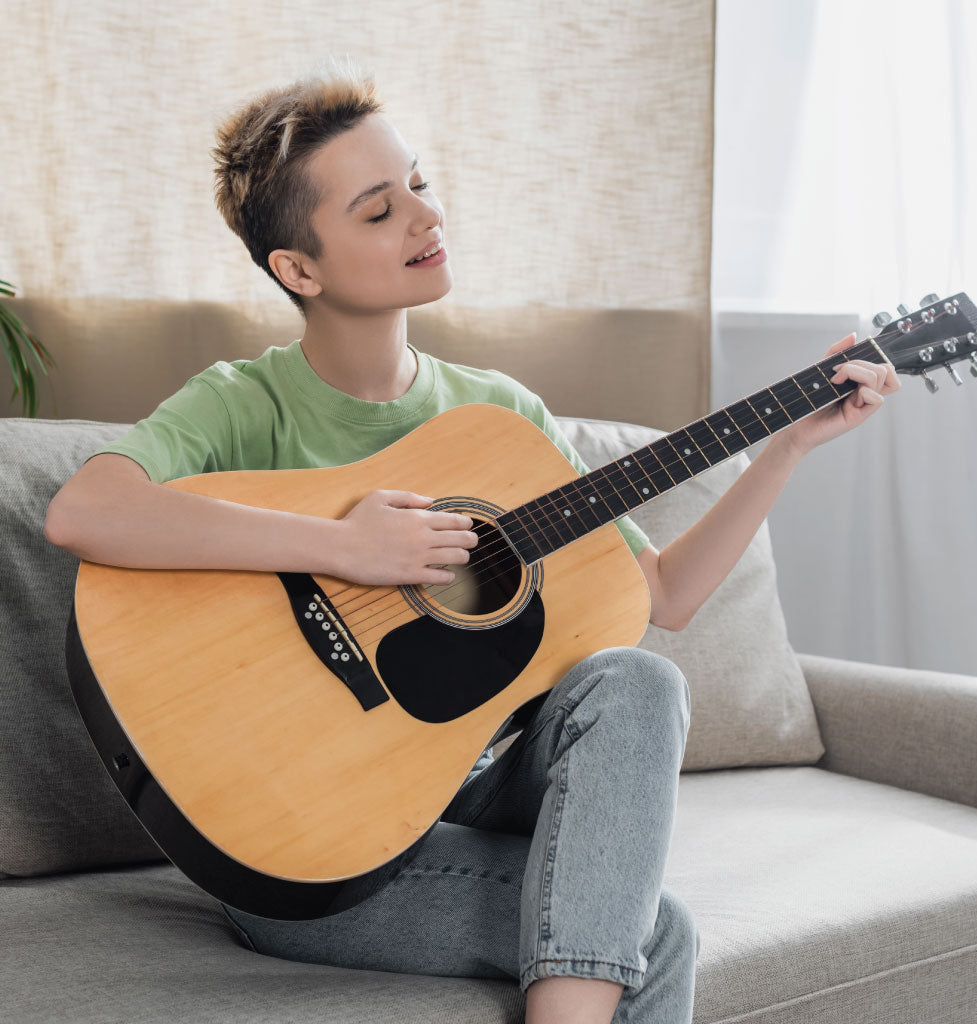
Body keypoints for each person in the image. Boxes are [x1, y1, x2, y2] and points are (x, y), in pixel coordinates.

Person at [44, 58, 900, 1024]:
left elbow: (662, 595)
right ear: (298, 269)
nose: (424, 215)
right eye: (378, 210)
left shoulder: (501, 418)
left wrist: (783, 448)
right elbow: (85, 512)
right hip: (307, 852)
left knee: (642, 680)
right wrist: (342, 548)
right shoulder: (246, 403)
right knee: (654, 941)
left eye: (420, 182)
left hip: (467, 791)